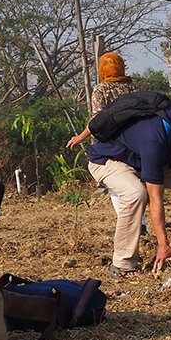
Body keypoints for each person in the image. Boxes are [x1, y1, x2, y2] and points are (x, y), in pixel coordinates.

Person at [86, 100, 171, 275]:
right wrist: (163, 244)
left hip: (142, 159)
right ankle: (122, 263)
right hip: (109, 160)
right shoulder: (154, 138)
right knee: (135, 193)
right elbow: (155, 197)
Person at [67, 52, 143, 217]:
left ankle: (131, 222)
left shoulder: (101, 89)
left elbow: (98, 120)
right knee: (135, 183)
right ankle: (141, 223)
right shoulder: (132, 87)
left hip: (110, 145)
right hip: (134, 143)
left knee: (116, 184)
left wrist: (81, 136)